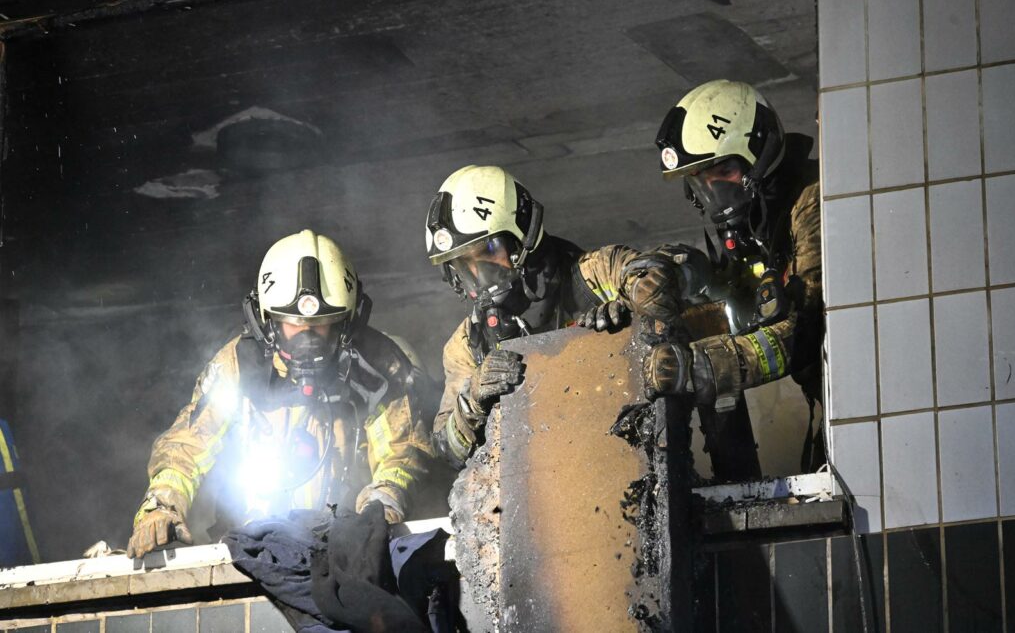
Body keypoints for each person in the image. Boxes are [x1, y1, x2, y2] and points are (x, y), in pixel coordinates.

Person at [127, 230, 435, 558]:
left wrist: (383, 502)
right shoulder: (238, 367)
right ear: (267, 320)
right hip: (253, 543)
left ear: (346, 321)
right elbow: (187, 446)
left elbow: (404, 450)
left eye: (320, 324)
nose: (308, 338)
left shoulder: (377, 367)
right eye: (293, 324)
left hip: (347, 543)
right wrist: (160, 505)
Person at [424, 165, 702, 468]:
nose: (479, 275)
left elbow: (670, 272)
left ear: (522, 235)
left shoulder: (594, 275)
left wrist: (631, 313)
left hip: (632, 463)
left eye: (489, 250)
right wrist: (473, 399)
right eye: (464, 265)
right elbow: (448, 451)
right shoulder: (467, 345)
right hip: (542, 490)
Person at [645, 79, 824, 476]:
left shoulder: (813, 204)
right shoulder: (764, 221)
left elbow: (808, 331)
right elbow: (749, 297)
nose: (715, 193)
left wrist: (705, 366)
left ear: (759, 155)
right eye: (702, 182)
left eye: (723, 171)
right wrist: (684, 273)